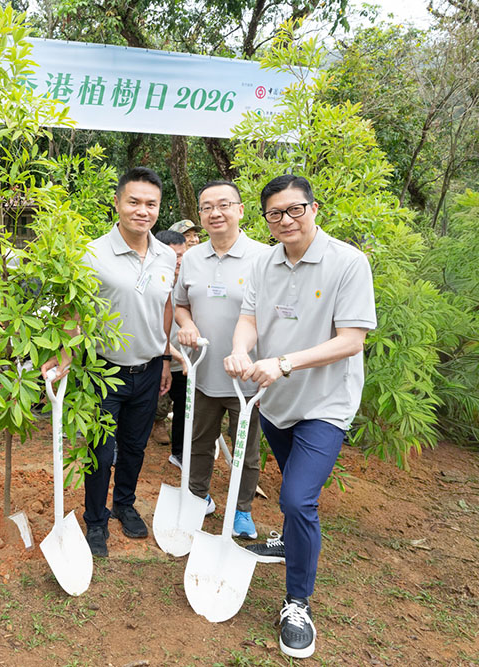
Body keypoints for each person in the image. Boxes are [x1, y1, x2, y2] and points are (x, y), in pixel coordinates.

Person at [224, 175, 375, 659]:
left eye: (295, 209)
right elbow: (249, 319)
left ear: (313, 208)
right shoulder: (263, 263)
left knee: (296, 498)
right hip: (277, 401)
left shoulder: (347, 262)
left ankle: (297, 604)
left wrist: (284, 363)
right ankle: (289, 542)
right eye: (275, 213)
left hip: (326, 404)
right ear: (265, 218)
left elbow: (351, 340)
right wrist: (240, 349)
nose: (285, 220)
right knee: (293, 489)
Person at [42, 167, 176, 558]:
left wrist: (165, 358)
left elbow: (166, 306)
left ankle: (124, 504)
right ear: (117, 203)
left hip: (148, 370)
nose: (142, 211)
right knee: (101, 453)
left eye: (151, 204)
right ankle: (96, 519)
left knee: (135, 447)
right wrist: (64, 354)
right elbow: (74, 311)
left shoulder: (167, 255)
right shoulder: (92, 253)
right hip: (103, 372)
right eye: (134, 202)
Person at [175, 180, 270, 540]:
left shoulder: (264, 257)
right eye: (207, 207)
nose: (215, 213)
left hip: (248, 376)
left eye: (224, 205)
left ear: (240, 210)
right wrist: (186, 324)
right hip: (202, 372)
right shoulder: (192, 258)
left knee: (246, 449)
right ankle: (197, 497)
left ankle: (241, 510)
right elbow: (180, 305)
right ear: (200, 215)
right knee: (198, 442)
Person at [153, 229, 187, 467]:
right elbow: (155, 330)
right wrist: (176, 356)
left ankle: (180, 453)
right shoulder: (154, 283)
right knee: (151, 408)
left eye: (182, 255)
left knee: (184, 408)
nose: (179, 261)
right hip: (159, 359)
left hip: (183, 362)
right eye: (174, 256)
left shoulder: (188, 282)